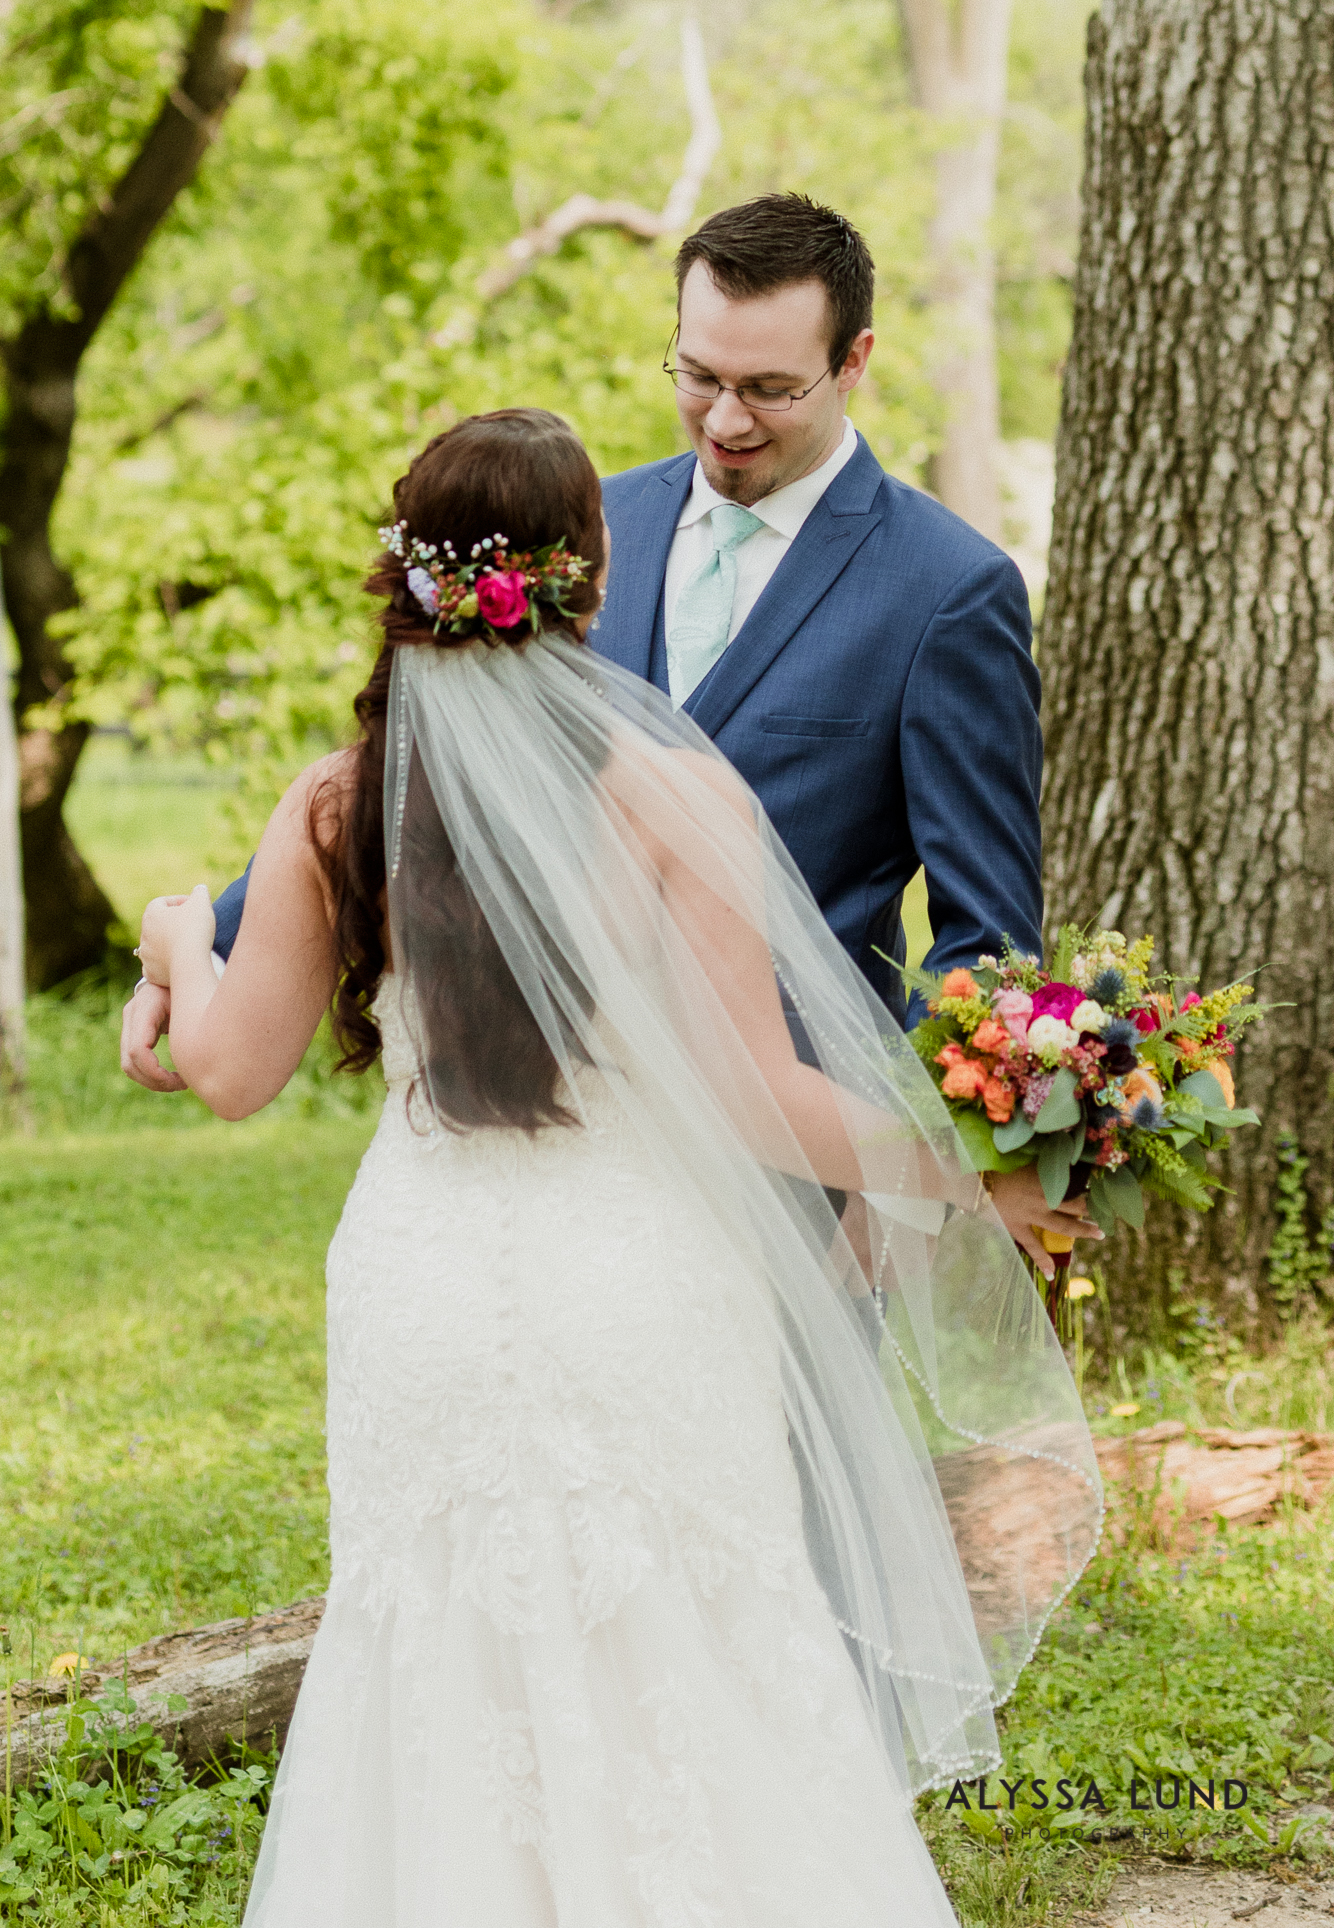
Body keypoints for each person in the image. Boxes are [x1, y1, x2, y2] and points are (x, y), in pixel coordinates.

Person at [136, 410, 1100, 1927]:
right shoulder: (669, 792)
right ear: (586, 575)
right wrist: (966, 1165)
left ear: (405, 575)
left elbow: (226, 1071)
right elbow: (764, 1105)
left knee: (434, 1649)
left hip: (424, 1286)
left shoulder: (339, 802)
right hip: (637, 1280)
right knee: (692, 1632)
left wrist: (182, 945)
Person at [121, 193, 1097, 1275]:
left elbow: (984, 937)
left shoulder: (946, 589)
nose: (725, 419)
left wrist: (920, 1180)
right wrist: (203, 942)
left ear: (852, 357)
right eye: (698, 375)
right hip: (540, 1115)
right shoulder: (575, 530)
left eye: (769, 388)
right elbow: (423, 775)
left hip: (807, 1169)